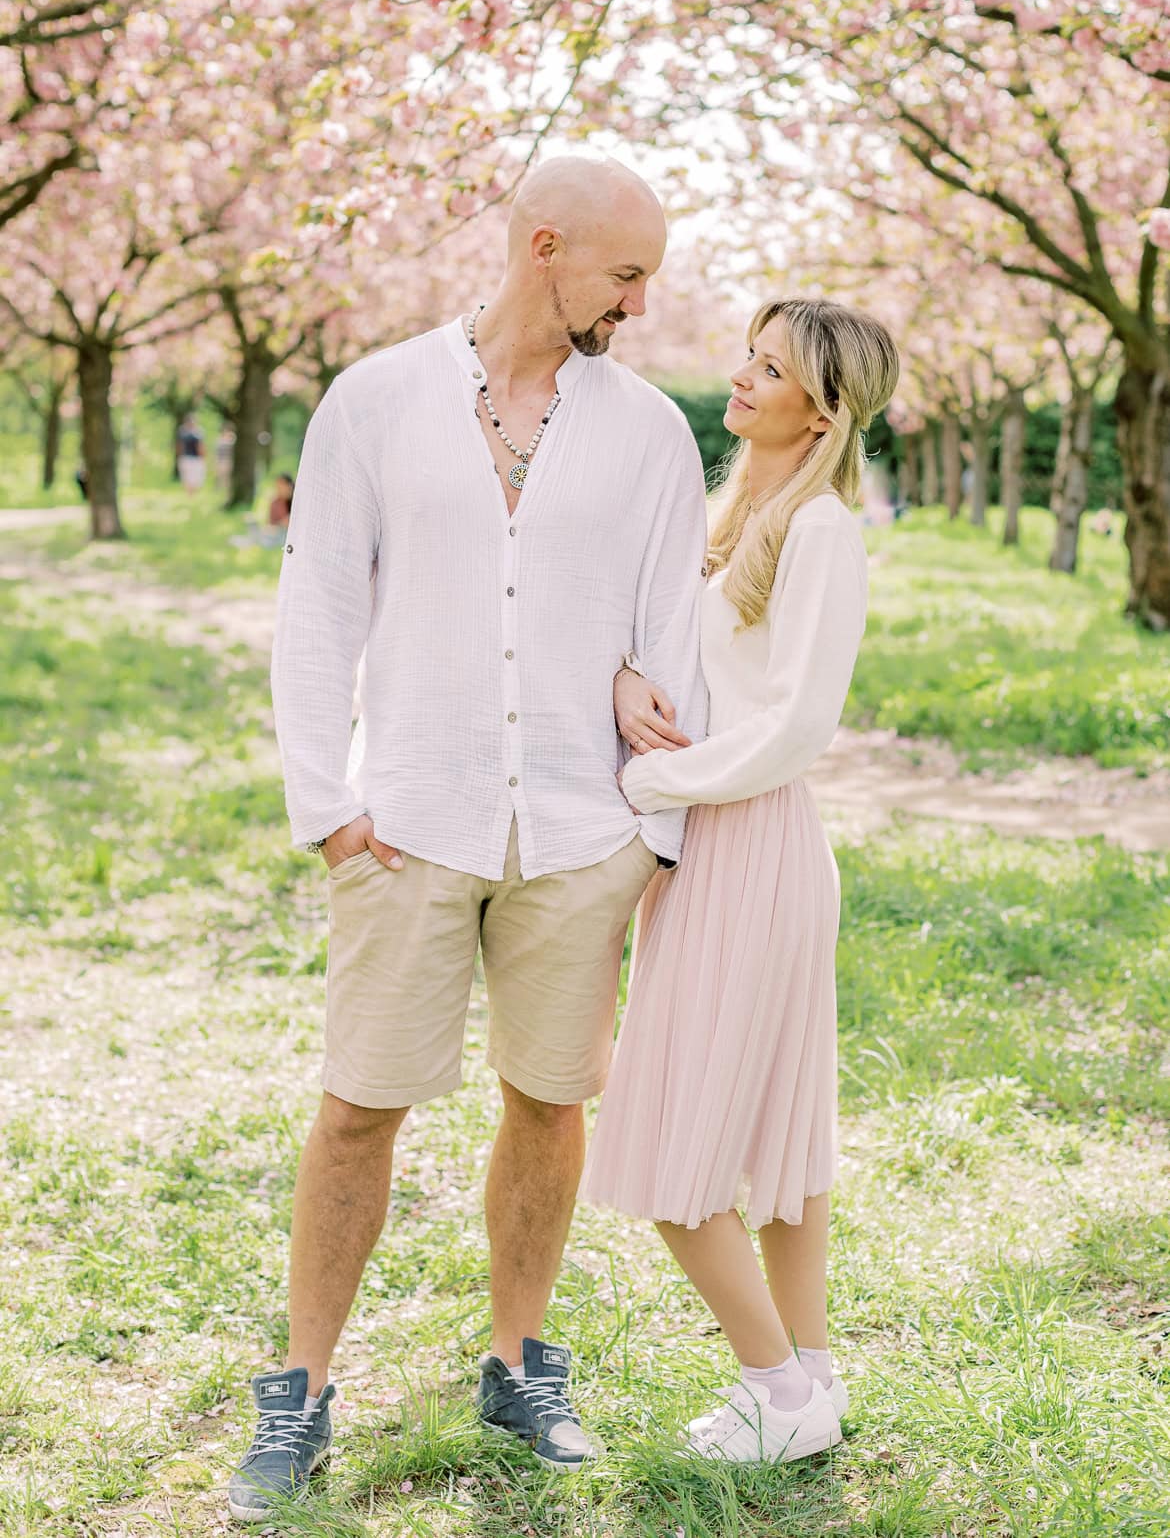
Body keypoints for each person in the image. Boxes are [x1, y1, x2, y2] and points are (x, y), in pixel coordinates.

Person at [228, 156, 708, 1521]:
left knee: (549, 1097)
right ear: (542, 245)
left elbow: (667, 627)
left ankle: (515, 1357)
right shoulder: (373, 400)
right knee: (357, 1103)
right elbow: (318, 605)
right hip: (408, 819)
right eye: (623, 274)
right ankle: (303, 1387)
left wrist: (648, 833)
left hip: (578, 826)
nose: (638, 302)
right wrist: (326, 805)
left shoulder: (652, 433)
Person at [582, 297, 900, 1465]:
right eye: (750, 358)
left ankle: (772, 1386)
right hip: (713, 837)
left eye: (769, 370)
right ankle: (808, 1382)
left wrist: (653, 789)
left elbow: (800, 724)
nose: (743, 379)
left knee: (679, 1152)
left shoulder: (822, 532)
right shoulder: (736, 513)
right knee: (770, 1139)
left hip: (750, 836)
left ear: (821, 410)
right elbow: (694, 667)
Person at [176, 413, 206, 493]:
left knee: (190, 477)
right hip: (190, 458)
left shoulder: (182, 431)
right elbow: (200, 447)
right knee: (191, 477)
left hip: (190, 457)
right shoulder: (196, 432)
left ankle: (191, 494)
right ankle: (191, 494)